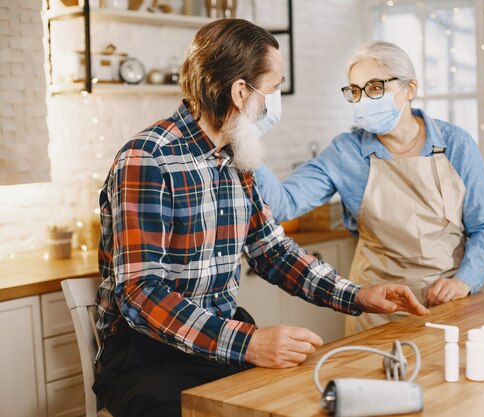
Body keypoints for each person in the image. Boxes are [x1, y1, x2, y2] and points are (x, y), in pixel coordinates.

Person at [92, 21, 428, 417]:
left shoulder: (237, 155)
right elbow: (140, 293)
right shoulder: (149, 158)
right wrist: (248, 343)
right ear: (240, 92)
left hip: (219, 342)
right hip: (148, 357)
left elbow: (272, 251)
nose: (274, 102)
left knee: (307, 403)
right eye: (273, 89)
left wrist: (356, 295)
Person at [255, 41, 484, 333]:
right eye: (356, 91)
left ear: (409, 89)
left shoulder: (456, 144)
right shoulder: (345, 153)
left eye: (375, 88)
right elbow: (283, 204)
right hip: (377, 311)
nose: (364, 100)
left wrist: (465, 281)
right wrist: (250, 143)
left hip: (447, 304)